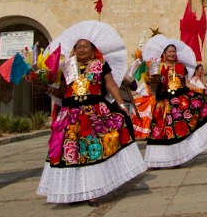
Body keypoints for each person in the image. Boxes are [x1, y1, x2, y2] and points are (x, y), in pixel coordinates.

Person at [37, 33, 147, 206]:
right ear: (74, 50)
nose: (81, 49)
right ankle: (73, 192)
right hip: (70, 115)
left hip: (94, 113)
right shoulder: (67, 66)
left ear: (93, 50)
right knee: (70, 153)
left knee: (92, 151)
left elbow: (110, 85)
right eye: (78, 47)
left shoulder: (100, 65)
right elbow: (62, 92)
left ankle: (93, 191)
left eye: (85, 46)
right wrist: (46, 88)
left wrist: (121, 105)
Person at [146, 43, 207, 168]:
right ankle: (156, 160)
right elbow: (152, 88)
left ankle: (176, 158)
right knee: (159, 132)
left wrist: (199, 90)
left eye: (173, 51)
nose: (172, 54)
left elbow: (187, 84)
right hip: (162, 103)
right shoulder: (157, 67)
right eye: (169, 51)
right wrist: (154, 80)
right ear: (163, 53)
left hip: (178, 103)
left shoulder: (181, 67)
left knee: (175, 131)